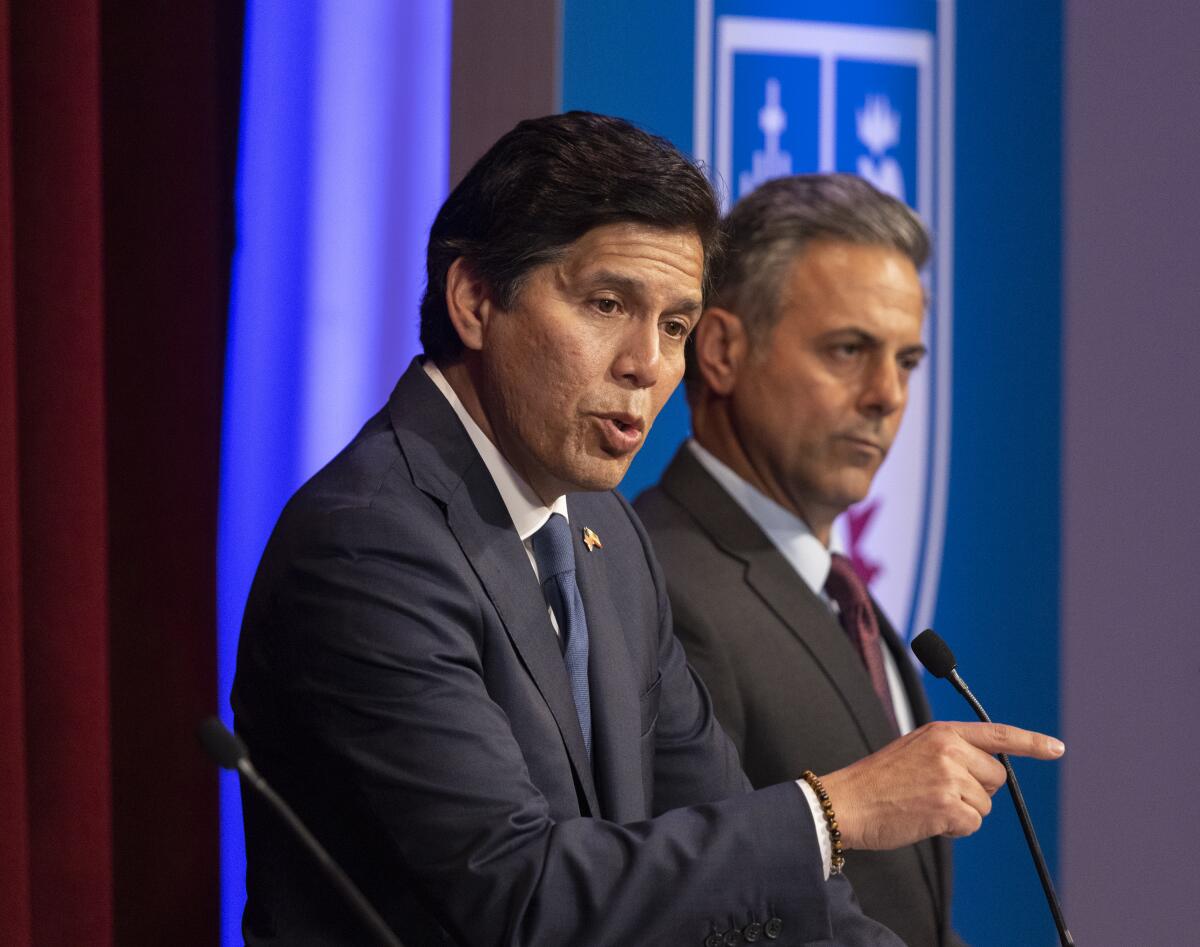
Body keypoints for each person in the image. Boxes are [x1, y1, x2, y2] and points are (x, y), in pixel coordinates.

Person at [233, 115, 1062, 946]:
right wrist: (835, 810)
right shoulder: (370, 544)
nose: (647, 364)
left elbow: (729, 863)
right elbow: (521, 900)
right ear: (476, 299)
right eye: (607, 304)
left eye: (674, 325)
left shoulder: (605, 534)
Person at [635, 174, 966, 945]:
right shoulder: (659, 580)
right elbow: (701, 901)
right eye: (848, 350)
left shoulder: (849, 601)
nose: (886, 395)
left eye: (908, 360)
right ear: (720, 349)